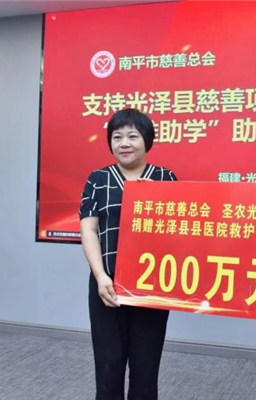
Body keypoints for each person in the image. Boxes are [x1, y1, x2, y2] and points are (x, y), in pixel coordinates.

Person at [79, 109, 177, 400]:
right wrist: (100, 276)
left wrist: (157, 200)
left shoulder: (165, 178)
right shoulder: (98, 179)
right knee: (108, 366)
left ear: (147, 140)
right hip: (107, 285)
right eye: (117, 137)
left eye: (133, 136)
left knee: (146, 368)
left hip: (152, 286)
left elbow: (178, 233)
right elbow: (89, 231)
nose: (124, 143)